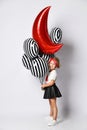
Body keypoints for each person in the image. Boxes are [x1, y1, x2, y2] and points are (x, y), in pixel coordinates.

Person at [41, 57, 62, 126]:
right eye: (51, 63)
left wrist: (45, 85)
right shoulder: (50, 71)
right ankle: (51, 115)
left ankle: (54, 119)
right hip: (49, 88)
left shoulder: (54, 72)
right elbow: (48, 80)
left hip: (52, 88)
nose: (52, 65)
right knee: (50, 103)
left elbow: (51, 83)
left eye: (54, 64)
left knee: (53, 104)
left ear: (56, 65)